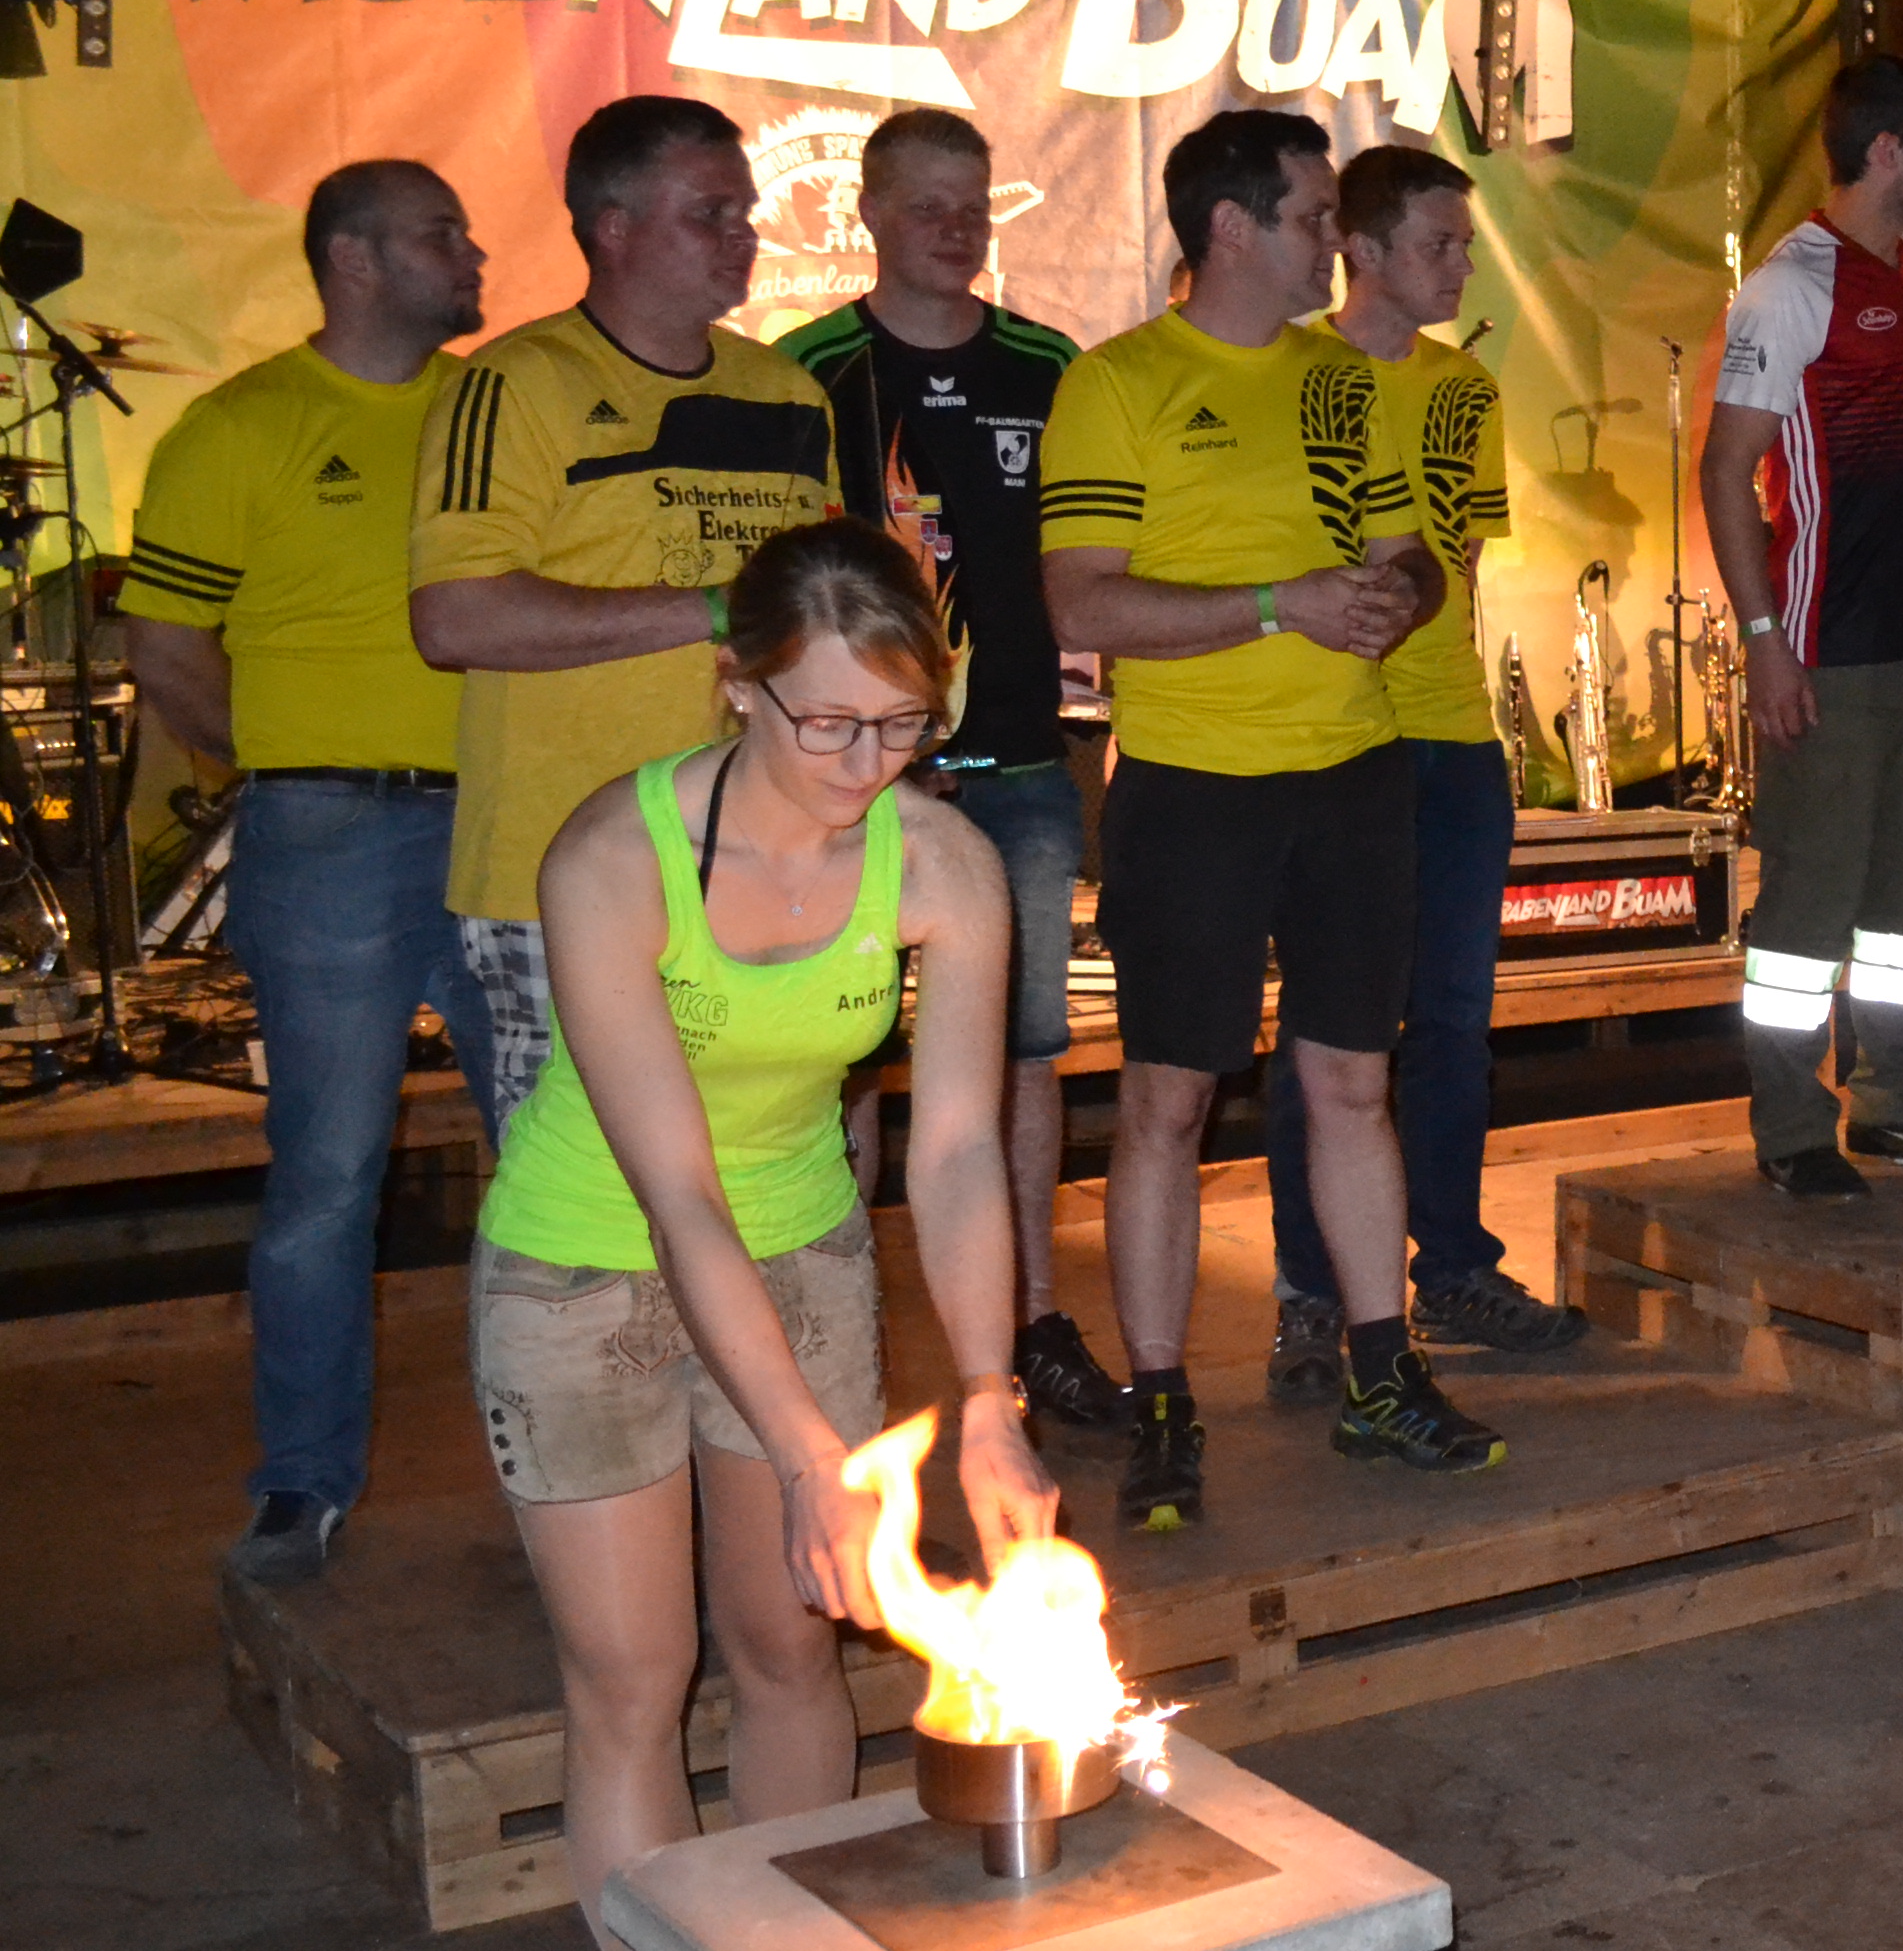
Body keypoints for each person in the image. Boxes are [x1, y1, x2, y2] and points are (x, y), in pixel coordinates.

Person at [466, 520, 1051, 1951]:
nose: (868, 765)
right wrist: (812, 1460)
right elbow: (676, 1198)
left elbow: (959, 1152)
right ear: (737, 684)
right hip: (584, 1267)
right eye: (828, 724)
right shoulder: (611, 857)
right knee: (633, 1678)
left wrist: (989, 1397)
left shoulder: (944, 862)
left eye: (904, 725)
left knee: (793, 1643)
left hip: (802, 1245)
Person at [1040, 108, 1500, 1529]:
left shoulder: (1342, 378)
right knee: (1169, 1101)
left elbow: (1411, 554)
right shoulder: (1118, 383)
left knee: (1354, 1082)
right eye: (1311, 219)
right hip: (1194, 790)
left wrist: (1388, 599)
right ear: (1231, 229)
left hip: (1354, 773)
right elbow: (1081, 603)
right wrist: (1272, 605)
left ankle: (1381, 1370)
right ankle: (1162, 1399)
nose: (1330, 243)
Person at [120, 160, 504, 1588]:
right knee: (330, 1177)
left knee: (557, 1159)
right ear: (354, 259)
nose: (473, 252)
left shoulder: (496, 412)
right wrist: (300, 766)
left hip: (511, 829)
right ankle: (303, 1481)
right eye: (440, 234)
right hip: (329, 838)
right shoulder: (241, 428)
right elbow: (166, 650)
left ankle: (573, 1468)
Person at [771, 110, 1119, 1438]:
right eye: (927, 205)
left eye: (973, 205)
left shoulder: (1050, 366)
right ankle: (833, 1334)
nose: (955, 228)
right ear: (867, 211)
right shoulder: (806, 373)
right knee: (837, 1061)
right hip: (848, 781)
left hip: (1019, 769)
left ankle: (1030, 1328)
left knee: (1025, 1055)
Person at [411, 95, 838, 1125]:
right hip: (566, 869)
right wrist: (715, 610)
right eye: (710, 213)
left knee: (753, 1169)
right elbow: (454, 619)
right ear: (613, 226)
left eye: (745, 212)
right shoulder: (517, 383)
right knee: (579, 1190)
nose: (743, 236)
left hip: (762, 864)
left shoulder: (789, 394)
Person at [1261, 147, 1585, 1360]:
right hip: (1336, 738)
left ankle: (1453, 1268)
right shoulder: (1295, 374)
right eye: (1438, 244)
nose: (1460, 265)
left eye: (1465, 245)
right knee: (1329, 1027)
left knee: (1453, 1020)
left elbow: (1460, 564)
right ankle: (1311, 1291)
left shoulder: (1464, 389)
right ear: (1361, 247)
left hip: (1452, 737)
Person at [1703, 60, 1903, 1200]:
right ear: (1885, 153)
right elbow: (1726, 470)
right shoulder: (1791, 285)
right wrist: (1764, 638)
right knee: (1811, 905)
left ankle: (1900, 1110)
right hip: (1830, 647)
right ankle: (1792, 1131)